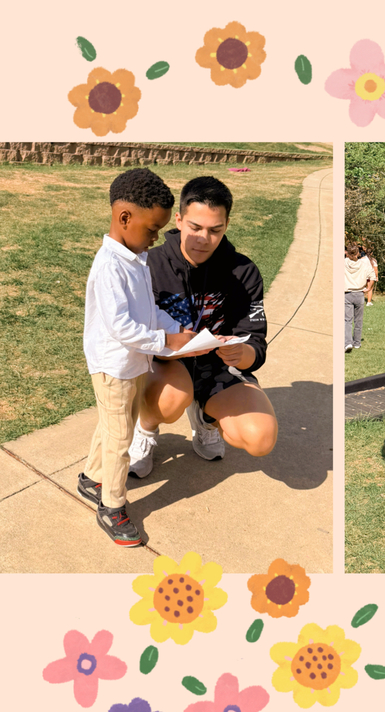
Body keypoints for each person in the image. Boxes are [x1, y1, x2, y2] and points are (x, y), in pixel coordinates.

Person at [128, 176, 279, 478]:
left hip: (218, 365)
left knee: (260, 438)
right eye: (195, 227)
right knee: (170, 399)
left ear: (226, 226)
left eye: (215, 230)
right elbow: (131, 332)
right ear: (180, 220)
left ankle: (206, 418)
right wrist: (170, 346)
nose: (203, 239)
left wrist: (243, 353)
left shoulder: (244, 271)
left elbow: (257, 344)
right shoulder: (149, 265)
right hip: (166, 362)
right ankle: (145, 431)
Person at [79, 168, 197, 546]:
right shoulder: (110, 265)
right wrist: (165, 341)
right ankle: (111, 505)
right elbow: (122, 327)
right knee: (120, 437)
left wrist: (176, 333)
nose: (156, 238)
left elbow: (147, 312)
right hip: (114, 366)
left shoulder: (135, 258)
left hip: (132, 366)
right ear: (124, 218)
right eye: (152, 229)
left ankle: (90, 476)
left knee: (116, 424)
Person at [345, 242, 375, 349]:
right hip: (359, 294)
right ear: (358, 253)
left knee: (347, 320)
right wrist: (369, 288)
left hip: (347, 294)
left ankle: (348, 342)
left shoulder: (343, 263)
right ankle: (357, 342)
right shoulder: (364, 264)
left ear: (347, 253)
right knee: (358, 320)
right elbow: (372, 277)